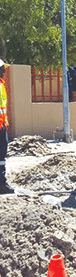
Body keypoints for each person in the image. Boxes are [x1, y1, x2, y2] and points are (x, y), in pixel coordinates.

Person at [0, 59, 14, 194]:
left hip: (2, 125)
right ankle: (1, 186)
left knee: (2, 157)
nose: (4, 71)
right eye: (1, 68)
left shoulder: (1, 85)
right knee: (1, 156)